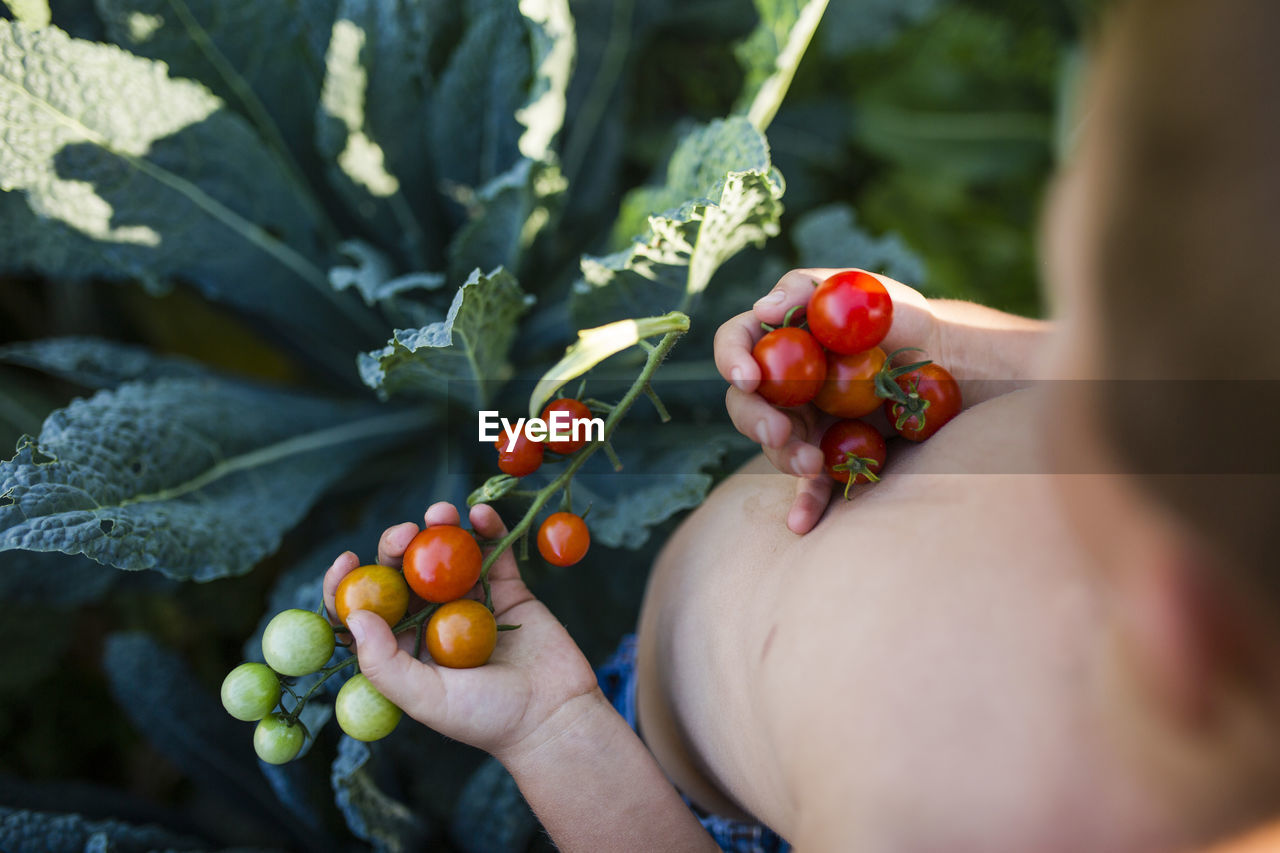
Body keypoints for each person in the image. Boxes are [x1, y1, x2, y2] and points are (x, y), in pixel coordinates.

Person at [323, 0, 1280, 849]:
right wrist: (946, 346)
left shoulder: (941, 821)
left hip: (650, 781)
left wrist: (556, 729)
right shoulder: (1222, 427)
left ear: (1183, 623)